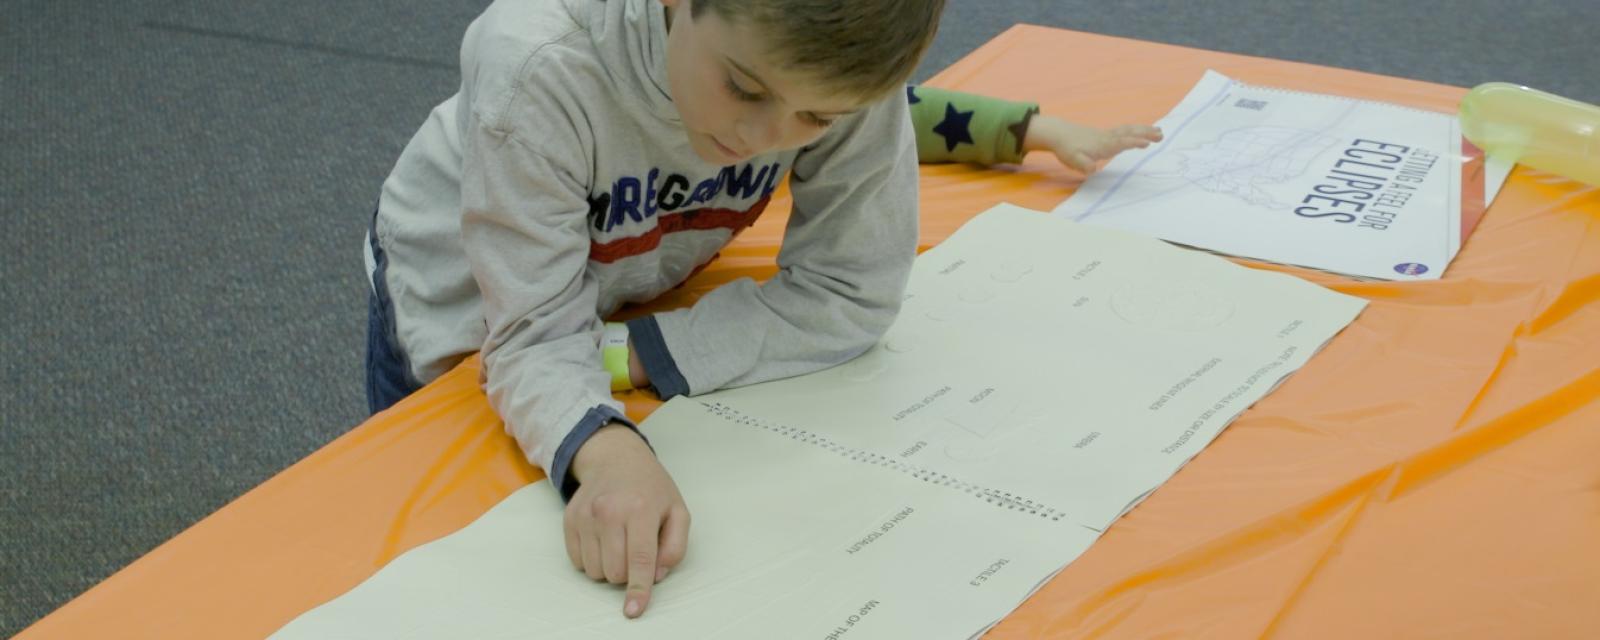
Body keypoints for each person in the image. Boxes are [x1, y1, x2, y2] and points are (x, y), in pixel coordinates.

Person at [364, 0, 1157, 619]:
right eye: (744, 88)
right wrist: (605, 447)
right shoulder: (537, 61)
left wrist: (627, 353)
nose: (759, 137)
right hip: (462, 311)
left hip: (618, 288)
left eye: (814, 120)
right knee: (441, 557)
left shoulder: (810, 81)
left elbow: (854, 289)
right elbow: (530, 334)